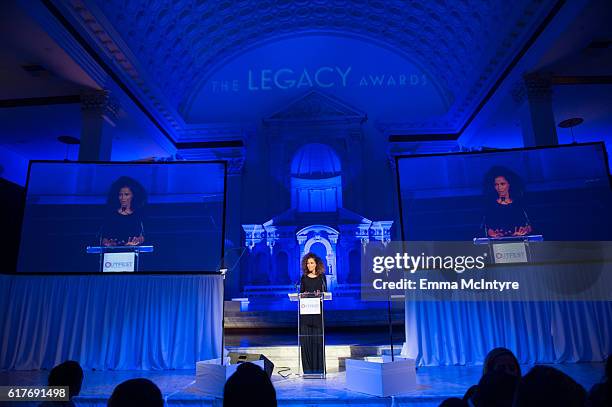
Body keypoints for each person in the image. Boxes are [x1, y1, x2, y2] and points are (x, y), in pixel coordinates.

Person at [482, 167, 532, 238]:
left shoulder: (519, 204)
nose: (499, 188)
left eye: (502, 184)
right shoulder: (490, 206)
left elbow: (529, 225)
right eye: (496, 184)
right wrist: (492, 233)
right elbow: (487, 227)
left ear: (509, 184)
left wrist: (525, 230)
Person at [299, 252, 327, 375]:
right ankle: (308, 369)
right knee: (306, 340)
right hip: (305, 314)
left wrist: (320, 294)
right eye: (308, 263)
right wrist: (304, 295)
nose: (309, 265)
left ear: (316, 264)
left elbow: (325, 293)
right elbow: (300, 294)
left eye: (311, 263)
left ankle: (319, 369)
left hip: (317, 314)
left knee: (317, 340)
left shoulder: (322, 277)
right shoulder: (303, 278)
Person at [100, 176, 146, 247]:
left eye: (126, 194)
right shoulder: (110, 215)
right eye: (120, 195)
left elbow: (144, 236)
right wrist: (107, 243)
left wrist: (139, 240)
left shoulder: (139, 215)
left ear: (133, 195)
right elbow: (103, 236)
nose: (123, 198)